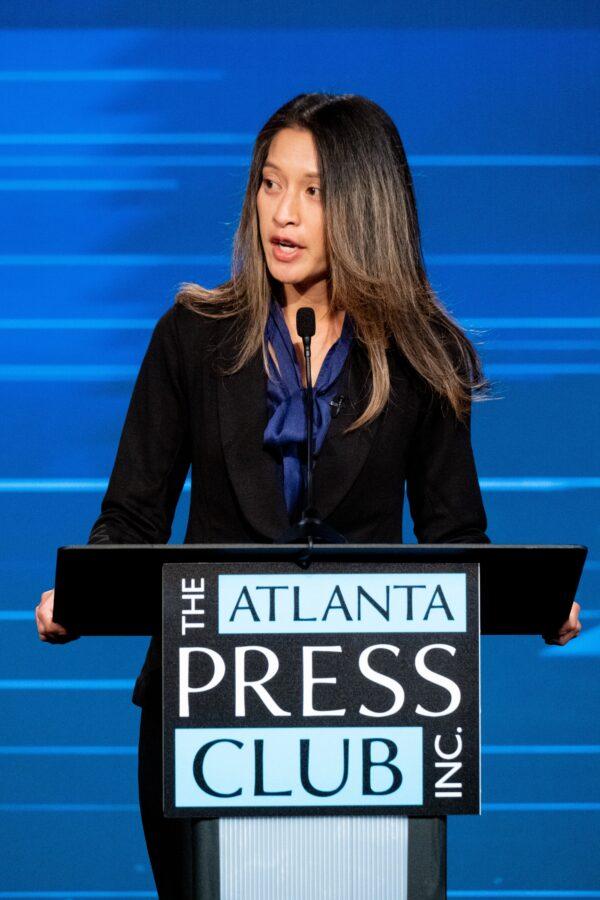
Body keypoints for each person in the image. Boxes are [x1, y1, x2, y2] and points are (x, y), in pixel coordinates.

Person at [35, 92, 582, 898]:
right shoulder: (190, 336)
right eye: (268, 184)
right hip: (206, 708)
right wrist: (84, 598)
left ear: (365, 204)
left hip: (369, 712)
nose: (282, 214)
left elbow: (454, 535)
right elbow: (132, 517)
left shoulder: (422, 357)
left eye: (314, 191)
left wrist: (526, 602)